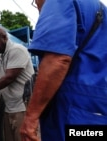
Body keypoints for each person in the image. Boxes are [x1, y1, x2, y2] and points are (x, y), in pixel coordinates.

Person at [20, 0, 107, 141]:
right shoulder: (99, 7)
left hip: (74, 106)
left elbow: (57, 60)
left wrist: (31, 117)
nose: (38, 6)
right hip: (98, 106)